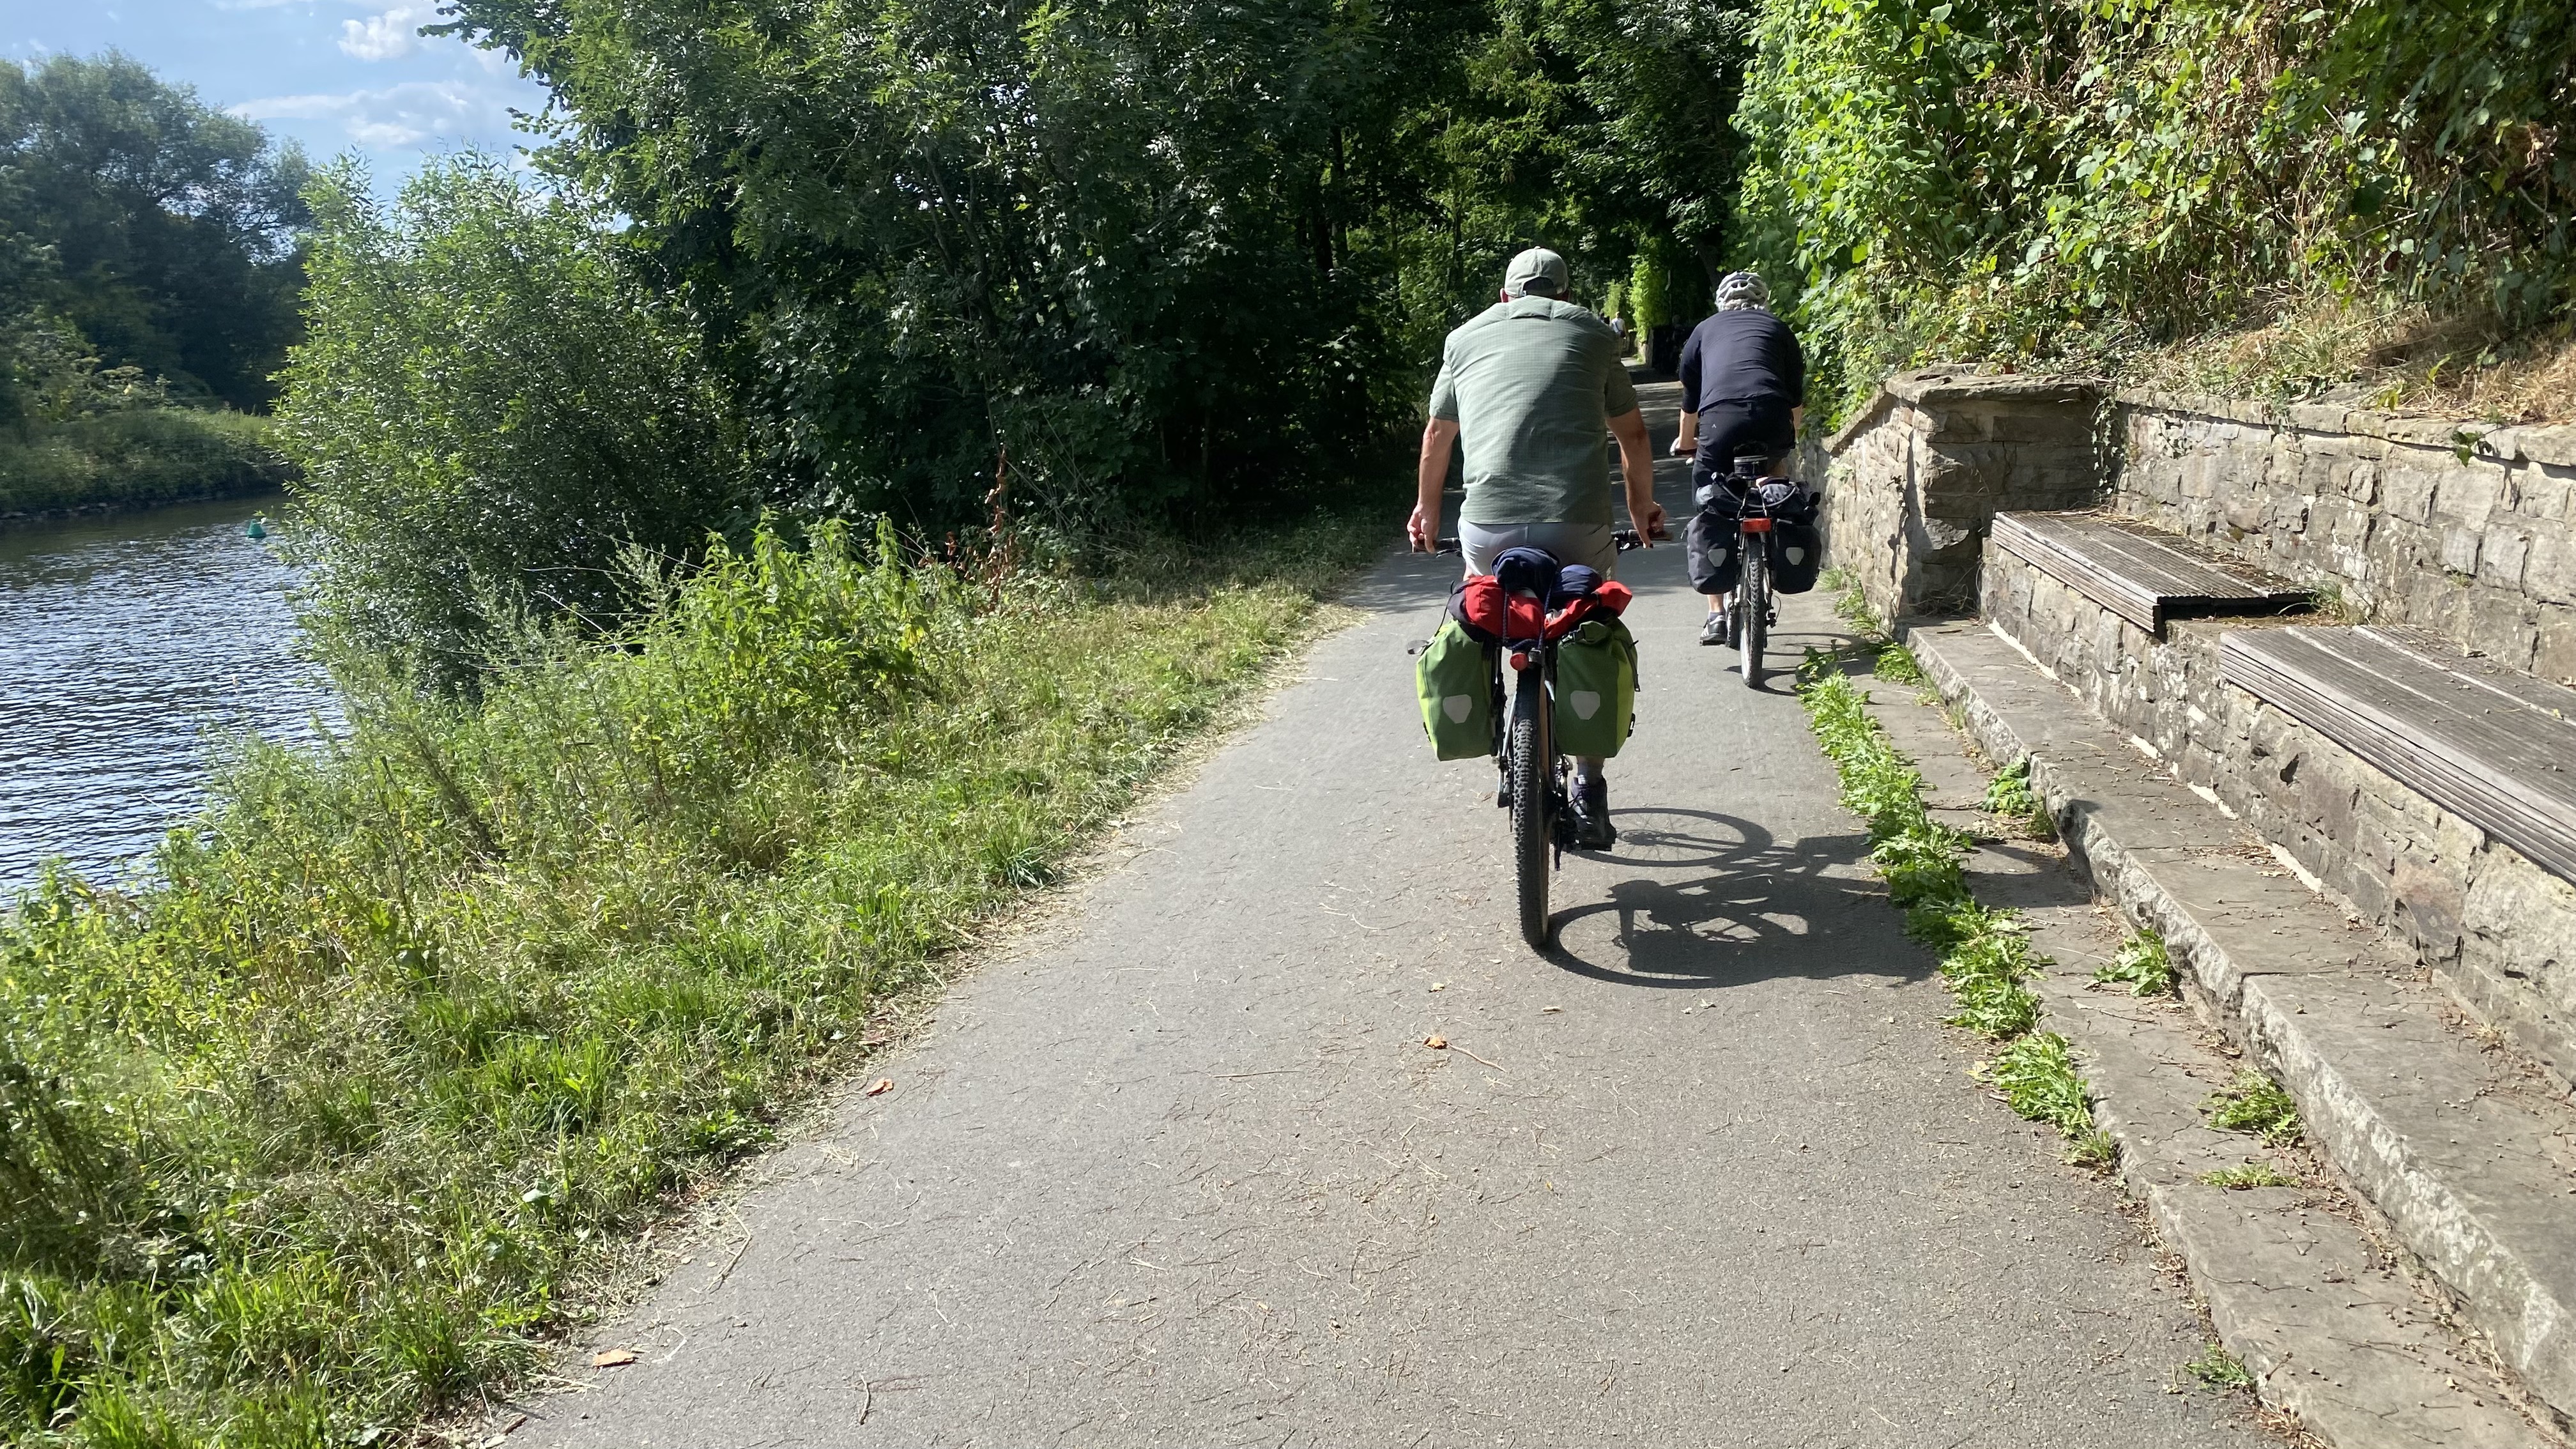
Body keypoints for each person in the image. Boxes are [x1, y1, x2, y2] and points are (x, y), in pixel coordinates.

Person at [1409, 247, 1664, 848]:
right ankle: (1590, 787)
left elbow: (1437, 437)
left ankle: (1507, 734)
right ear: (1564, 297)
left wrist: (1427, 512)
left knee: (1494, 606)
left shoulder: (1463, 338)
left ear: (1506, 297)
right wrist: (1640, 512)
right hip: (1577, 523)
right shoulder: (1594, 334)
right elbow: (1630, 433)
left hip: (1487, 526)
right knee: (1583, 619)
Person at [1671, 270, 1807, 645]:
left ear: (1721, 303)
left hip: (1720, 421)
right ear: (1764, 301)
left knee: (1708, 500)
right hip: (1772, 417)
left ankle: (1715, 615)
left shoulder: (1704, 331)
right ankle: (1774, 539)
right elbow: (1795, 399)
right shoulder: (1779, 329)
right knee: (1775, 471)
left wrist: (1687, 444)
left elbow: (1691, 402)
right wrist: (1785, 442)